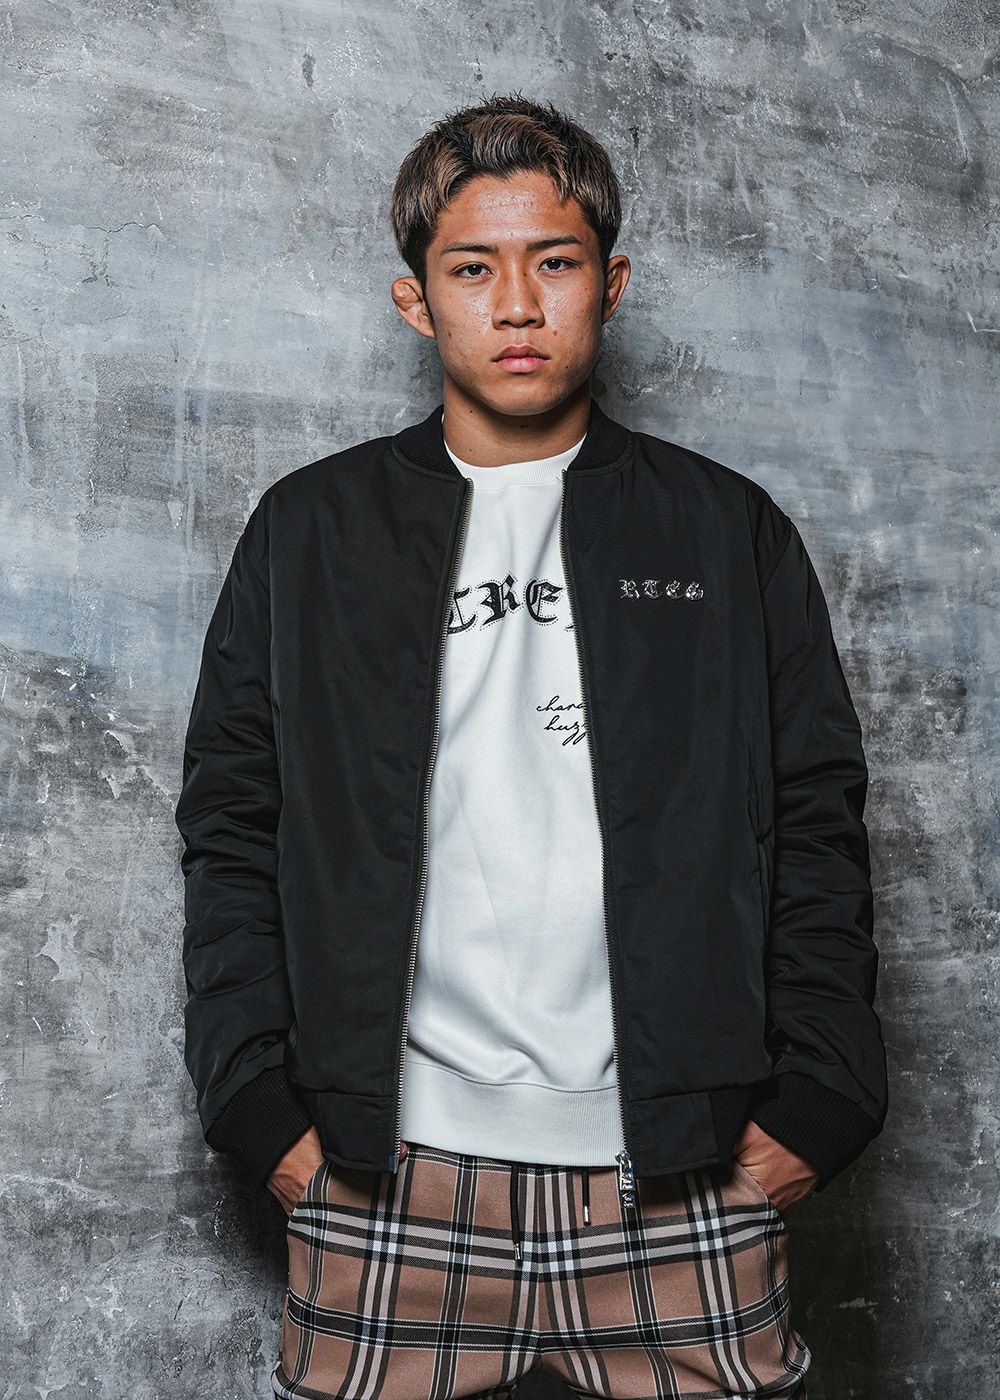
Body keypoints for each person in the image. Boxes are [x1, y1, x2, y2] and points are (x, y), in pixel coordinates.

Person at [175, 92, 888, 1400]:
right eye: (472, 269)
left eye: (554, 262)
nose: (516, 305)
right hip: (385, 1178)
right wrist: (265, 1118)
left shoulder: (724, 531)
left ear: (611, 285)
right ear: (416, 301)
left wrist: (817, 1108)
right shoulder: (311, 534)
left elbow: (815, 820)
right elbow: (232, 826)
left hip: (681, 1174)